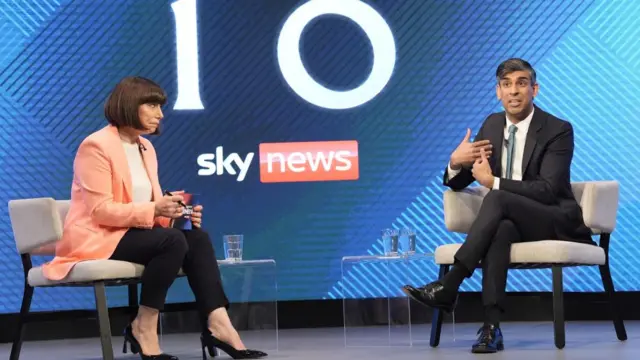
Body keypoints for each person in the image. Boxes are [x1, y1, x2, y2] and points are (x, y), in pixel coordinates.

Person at [42, 77, 267, 360]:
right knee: (172, 241)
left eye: (160, 106)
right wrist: (156, 210)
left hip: (134, 232)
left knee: (196, 237)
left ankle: (219, 324)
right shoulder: (95, 146)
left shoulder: (146, 148)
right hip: (98, 236)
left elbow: (149, 206)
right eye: (151, 105)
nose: (160, 113)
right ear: (128, 104)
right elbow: (100, 210)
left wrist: (176, 213)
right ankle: (144, 326)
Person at [401, 58, 594, 354]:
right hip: (509, 220)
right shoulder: (492, 124)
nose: (513, 91)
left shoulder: (557, 129)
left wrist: (493, 182)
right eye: (506, 85)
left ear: (535, 89)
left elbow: (548, 190)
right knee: (500, 227)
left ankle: (450, 284)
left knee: (497, 196)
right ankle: (491, 328)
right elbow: (460, 181)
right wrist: (455, 162)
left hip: (553, 219)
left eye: (521, 83)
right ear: (498, 92)